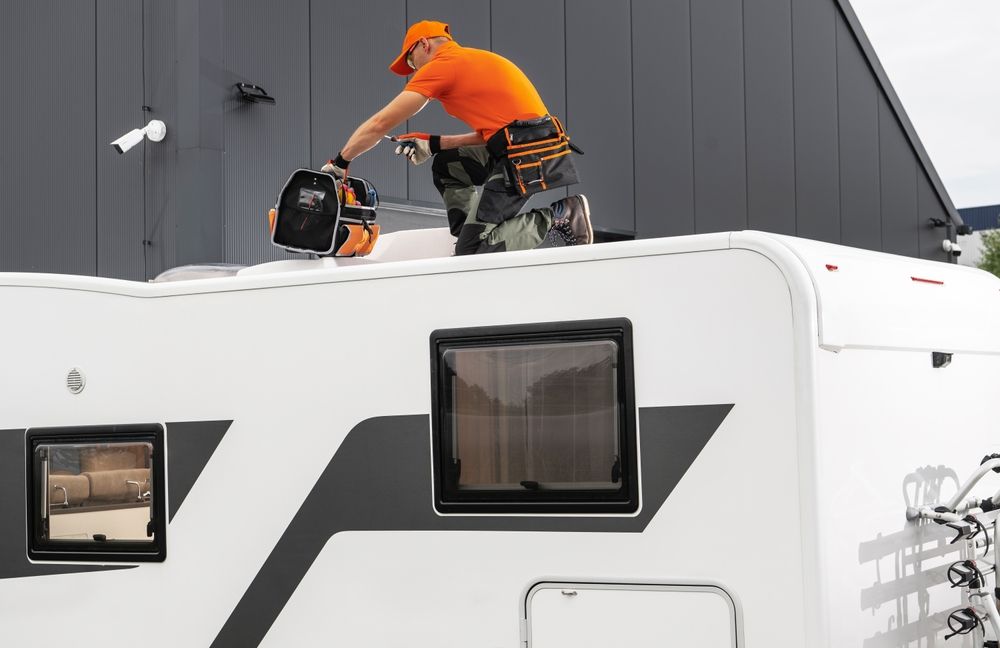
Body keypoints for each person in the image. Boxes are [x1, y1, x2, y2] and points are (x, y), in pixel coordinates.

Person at [323, 20, 592, 255]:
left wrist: (341, 162)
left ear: (424, 44)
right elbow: (493, 133)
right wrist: (435, 143)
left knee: (472, 251)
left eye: (409, 60)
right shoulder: (469, 61)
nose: (412, 68)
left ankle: (563, 214)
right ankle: (471, 232)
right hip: (519, 144)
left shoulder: (443, 65)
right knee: (447, 165)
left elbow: (380, 124)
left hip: (526, 152)